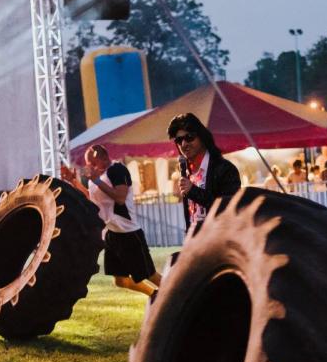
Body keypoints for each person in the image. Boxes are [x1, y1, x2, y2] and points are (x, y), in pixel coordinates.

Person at [60, 145, 162, 296]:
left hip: (128, 232)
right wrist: (73, 181)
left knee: (149, 275)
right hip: (111, 232)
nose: (90, 167)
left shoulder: (117, 170)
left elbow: (120, 198)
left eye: (93, 163)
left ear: (104, 158)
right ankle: (155, 295)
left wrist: (96, 180)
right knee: (120, 280)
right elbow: (91, 198)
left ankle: (178, 294)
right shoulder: (97, 178)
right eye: (88, 164)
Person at [168, 112, 241, 234]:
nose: (184, 144)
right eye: (179, 140)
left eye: (189, 137)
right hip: (195, 240)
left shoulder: (224, 169)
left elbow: (229, 209)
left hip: (219, 240)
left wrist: (193, 191)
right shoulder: (186, 171)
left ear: (202, 137)